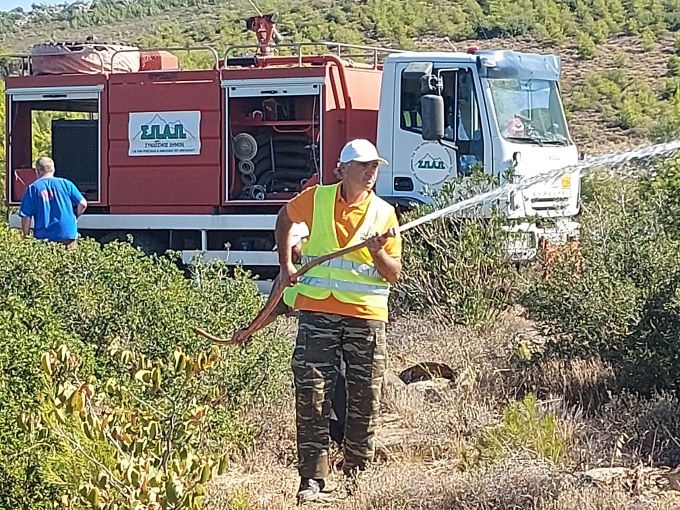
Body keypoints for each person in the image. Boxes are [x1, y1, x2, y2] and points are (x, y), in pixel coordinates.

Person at [275, 138, 402, 503]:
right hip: (318, 314)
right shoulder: (316, 199)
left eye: (374, 166)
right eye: (363, 165)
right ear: (342, 168)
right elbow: (285, 218)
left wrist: (378, 253)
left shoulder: (384, 214)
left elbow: (393, 274)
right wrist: (286, 264)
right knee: (312, 394)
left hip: (365, 317)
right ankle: (312, 479)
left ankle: (357, 474)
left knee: (365, 397)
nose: (370, 172)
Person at [19, 157, 87, 249]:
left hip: (44, 236)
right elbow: (83, 203)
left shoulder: (33, 188)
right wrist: (74, 216)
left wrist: (25, 237)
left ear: (37, 170)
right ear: (53, 169)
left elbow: (26, 216)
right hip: (67, 233)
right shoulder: (66, 184)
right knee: (69, 262)